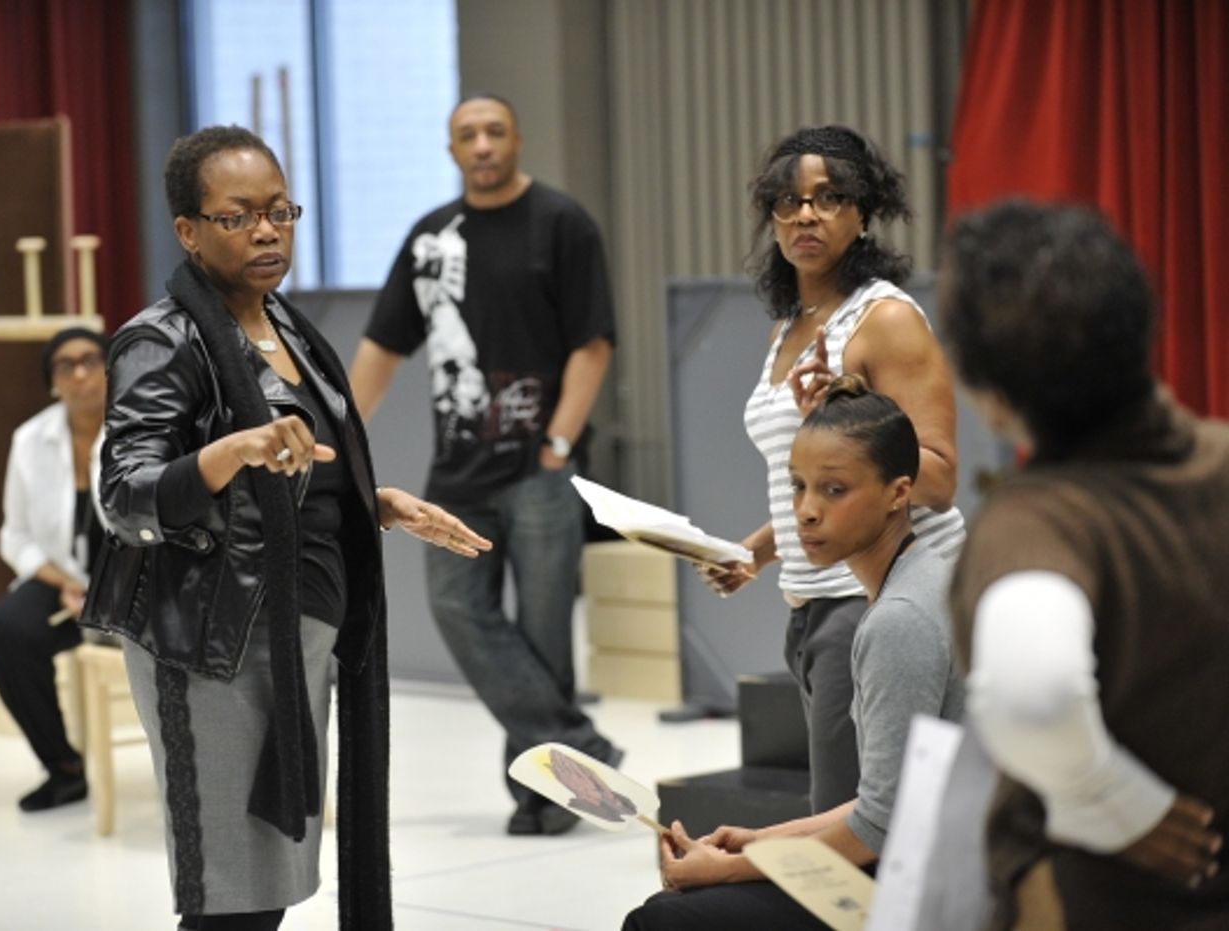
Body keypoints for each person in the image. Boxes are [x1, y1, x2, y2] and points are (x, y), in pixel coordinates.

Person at [81, 125, 490, 931]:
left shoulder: (288, 328)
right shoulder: (161, 340)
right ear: (189, 231)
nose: (267, 231)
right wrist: (230, 451)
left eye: (279, 210)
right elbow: (126, 495)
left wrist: (375, 503)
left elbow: (302, 467)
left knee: (272, 880)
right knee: (233, 891)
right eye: (238, 217)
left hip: (294, 626)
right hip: (210, 637)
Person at [941, 200, 1227, 929]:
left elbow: (1032, 691)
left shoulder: (1037, 523)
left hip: (1115, 902)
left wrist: (1110, 801)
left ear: (996, 401)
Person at [347, 93, 621, 836]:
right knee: (458, 609)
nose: (483, 144)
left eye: (495, 130)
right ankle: (583, 751)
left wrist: (559, 443)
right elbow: (381, 348)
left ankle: (545, 796)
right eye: (467, 134)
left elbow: (592, 343)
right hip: (459, 474)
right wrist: (335, 432)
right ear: (452, 150)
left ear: (518, 140)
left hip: (539, 466)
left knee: (541, 636)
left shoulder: (563, 223)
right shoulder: (431, 237)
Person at [623, 376, 966, 930]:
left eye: (834, 490)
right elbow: (887, 798)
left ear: (899, 492)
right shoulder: (926, 578)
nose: (805, 511)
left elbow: (882, 824)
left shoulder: (900, 618)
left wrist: (732, 870)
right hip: (936, 856)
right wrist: (764, 840)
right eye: (796, 487)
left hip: (937, 889)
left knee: (662, 921)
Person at [699, 125, 966, 813]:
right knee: (851, 819)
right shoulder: (790, 326)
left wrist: (859, 413)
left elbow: (934, 476)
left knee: (853, 831)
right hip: (815, 603)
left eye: (828, 197)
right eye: (787, 202)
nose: (805, 215)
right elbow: (834, 484)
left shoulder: (884, 321)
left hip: (877, 602)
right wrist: (756, 552)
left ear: (862, 212)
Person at [0, 327, 107, 812]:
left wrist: (104, 592)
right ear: (52, 380)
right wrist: (66, 584)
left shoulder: (140, 430)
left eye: (91, 360)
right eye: (65, 365)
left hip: (135, 586)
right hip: (64, 580)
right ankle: (63, 767)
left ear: (111, 369)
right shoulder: (30, 439)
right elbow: (14, 534)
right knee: (5, 630)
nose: (80, 374)